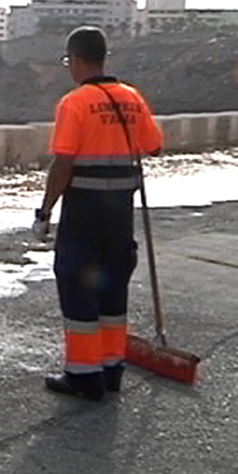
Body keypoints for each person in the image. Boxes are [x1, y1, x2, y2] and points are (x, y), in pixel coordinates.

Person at [34, 26, 162, 401]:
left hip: (84, 214)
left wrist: (44, 211)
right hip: (120, 213)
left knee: (77, 287)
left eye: (68, 61)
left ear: (75, 59)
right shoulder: (131, 98)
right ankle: (111, 370)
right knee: (112, 289)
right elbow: (153, 147)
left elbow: (63, 164)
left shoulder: (74, 103)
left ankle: (83, 376)